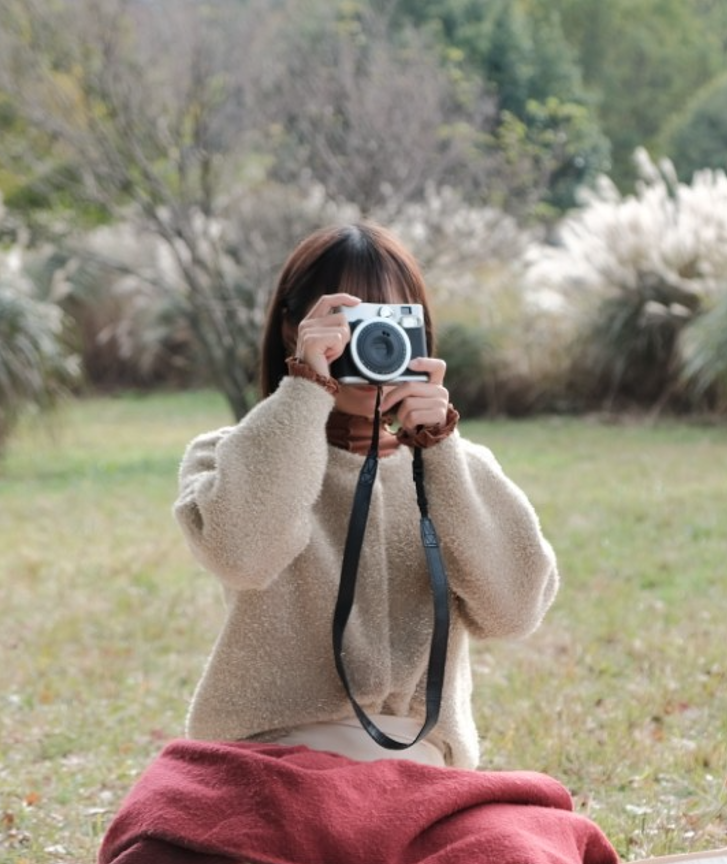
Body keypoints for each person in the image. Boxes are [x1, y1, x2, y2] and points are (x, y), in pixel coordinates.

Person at [98, 222, 618, 864]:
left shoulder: (458, 465)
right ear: (298, 329)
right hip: (265, 773)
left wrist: (440, 453)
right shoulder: (232, 453)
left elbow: (515, 611)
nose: (374, 342)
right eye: (352, 321)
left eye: (393, 323)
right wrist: (305, 392)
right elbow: (242, 552)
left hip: (417, 783)